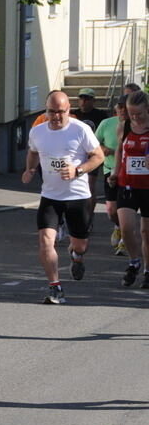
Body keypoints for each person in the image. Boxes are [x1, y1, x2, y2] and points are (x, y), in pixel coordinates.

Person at [22, 91, 104, 304]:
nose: (56, 117)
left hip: (78, 196)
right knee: (45, 241)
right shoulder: (38, 131)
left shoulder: (81, 129)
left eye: (60, 112)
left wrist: (78, 170)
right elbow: (33, 152)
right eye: (51, 112)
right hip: (50, 196)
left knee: (80, 244)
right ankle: (55, 287)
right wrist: (30, 169)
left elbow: (98, 156)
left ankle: (76, 256)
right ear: (46, 110)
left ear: (68, 110)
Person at [112, 91, 149, 288]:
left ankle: (148, 270)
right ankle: (134, 262)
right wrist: (115, 172)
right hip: (128, 184)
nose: (135, 118)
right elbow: (120, 150)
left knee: (146, 232)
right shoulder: (124, 127)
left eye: (139, 114)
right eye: (131, 114)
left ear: (147, 110)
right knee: (126, 227)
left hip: (148, 187)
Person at [72, 88, 110, 231]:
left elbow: (103, 134)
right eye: (81, 98)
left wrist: (103, 147)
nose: (84, 101)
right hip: (75, 155)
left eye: (87, 99)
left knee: (89, 186)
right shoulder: (74, 115)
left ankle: (88, 217)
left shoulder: (100, 115)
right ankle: (76, 217)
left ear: (93, 101)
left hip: (92, 155)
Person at [96, 97, 128, 256]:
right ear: (115, 108)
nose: (122, 110)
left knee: (126, 208)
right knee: (111, 210)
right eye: (120, 107)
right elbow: (93, 144)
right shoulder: (107, 124)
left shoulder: (138, 126)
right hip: (110, 169)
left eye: (125, 107)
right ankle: (119, 227)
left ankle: (125, 240)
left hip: (129, 173)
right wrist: (103, 148)